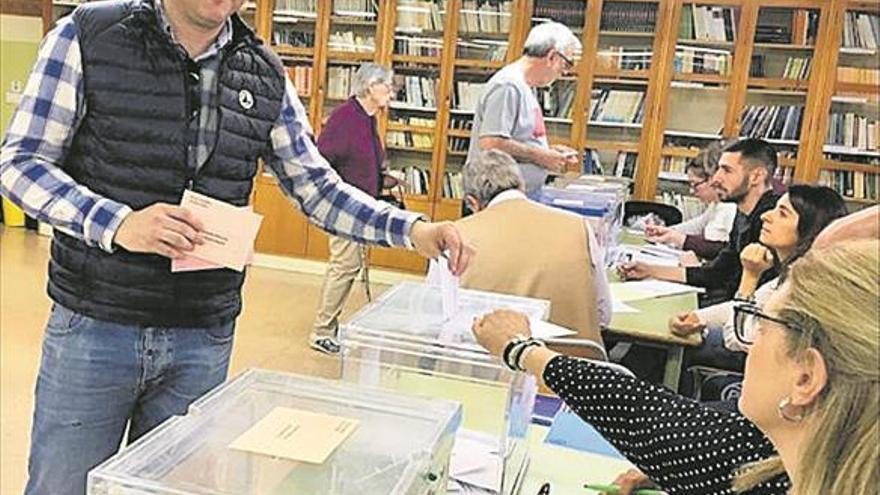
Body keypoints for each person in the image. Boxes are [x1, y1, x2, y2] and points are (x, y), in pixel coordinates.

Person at [0, 1, 472, 494]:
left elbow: (317, 187)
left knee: (169, 488)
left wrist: (412, 229)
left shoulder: (265, 72)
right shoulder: (88, 34)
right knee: (62, 487)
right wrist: (118, 224)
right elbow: (20, 164)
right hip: (96, 326)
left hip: (201, 336)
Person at [473, 240, 879, 495]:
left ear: (806, 378)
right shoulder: (777, 461)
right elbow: (656, 418)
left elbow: (640, 413)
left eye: (760, 325)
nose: (749, 342)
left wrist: (520, 349)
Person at [669, 185, 847, 400]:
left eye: (782, 214)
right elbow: (752, 306)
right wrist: (698, 317)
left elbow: (739, 339)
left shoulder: (805, 287)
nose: (765, 216)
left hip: (775, 388)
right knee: (679, 337)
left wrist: (749, 277)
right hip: (767, 370)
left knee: (678, 348)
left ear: (810, 229)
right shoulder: (789, 271)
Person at [451, 149, 611, 347]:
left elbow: (440, 318)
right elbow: (603, 315)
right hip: (569, 367)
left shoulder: (453, 235)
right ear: (522, 185)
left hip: (486, 366)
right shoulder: (578, 226)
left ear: (471, 202)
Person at [310, 63, 401, 354]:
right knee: (345, 265)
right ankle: (322, 331)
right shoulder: (346, 118)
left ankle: (329, 326)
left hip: (361, 205)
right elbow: (322, 162)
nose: (391, 91)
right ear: (369, 87)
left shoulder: (366, 117)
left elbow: (363, 161)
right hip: (344, 206)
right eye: (385, 86)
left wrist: (384, 180)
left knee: (349, 265)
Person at [620, 138, 781, 303]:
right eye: (718, 169)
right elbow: (717, 272)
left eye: (726, 170)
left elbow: (751, 299)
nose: (716, 179)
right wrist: (649, 270)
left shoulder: (771, 222)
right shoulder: (743, 213)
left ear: (756, 176)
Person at [466, 21, 581, 198]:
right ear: (551, 57)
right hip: (497, 199)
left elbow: (517, 137)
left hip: (516, 195)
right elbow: (492, 144)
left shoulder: (526, 87)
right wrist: (541, 156)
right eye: (567, 64)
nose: (565, 72)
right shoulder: (507, 86)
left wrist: (548, 151)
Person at [644, 142, 737, 262]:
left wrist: (678, 238)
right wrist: (667, 232)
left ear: (712, 178)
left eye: (695, 185)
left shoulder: (730, 209)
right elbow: (698, 224)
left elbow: (726, 251)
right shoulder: (717, 204)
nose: (691, 191)